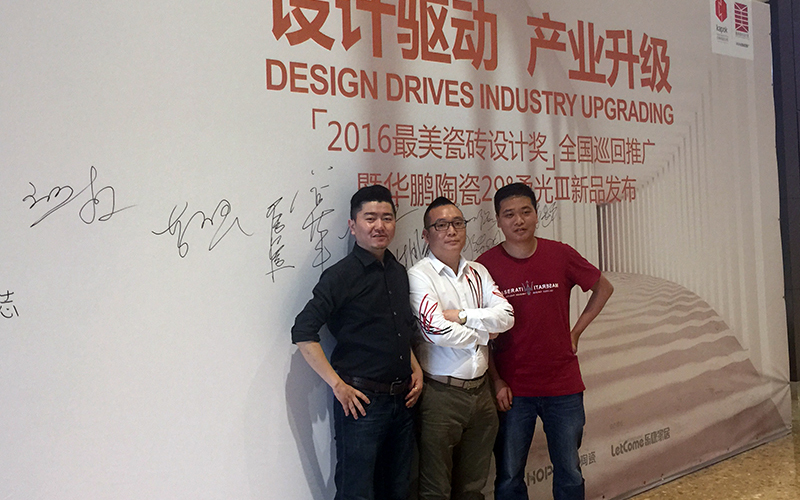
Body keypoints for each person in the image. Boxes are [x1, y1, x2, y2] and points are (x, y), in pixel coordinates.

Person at [475, 183, 614, 500]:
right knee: (509, 475)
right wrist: (496, 380)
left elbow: (603, 288)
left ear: (537, 215)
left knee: (569, 471)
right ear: (498, 221)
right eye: (509, 214)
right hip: (513, 388)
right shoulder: (485, 266)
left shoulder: (560, 254)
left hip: (562, 384)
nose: (518, 221)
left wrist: (575, 332)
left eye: (526, 212)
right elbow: (481, 332)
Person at [291, 185, 424, 500]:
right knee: (357, 492)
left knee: (399, 489)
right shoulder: (340, 276)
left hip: (403, 401)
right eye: (370, 218)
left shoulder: (397, 271)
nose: (379, 225)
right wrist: (337, 385)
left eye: (387, 218)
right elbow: (303, 331)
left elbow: (400, 327)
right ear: (353, 226)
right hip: (362, 404)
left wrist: (415, 367)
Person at [408, 197, 514, 500]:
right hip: (440, 396)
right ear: (426, 235)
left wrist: (463, 316)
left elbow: (507, 316)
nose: (451, 231)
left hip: (481, 394)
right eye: (441, 225)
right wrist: (484, 333)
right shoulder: (419, 275)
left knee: (473, 487)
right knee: (435, 489)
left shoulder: (478, 272)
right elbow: (435, 330)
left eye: (457, 223)